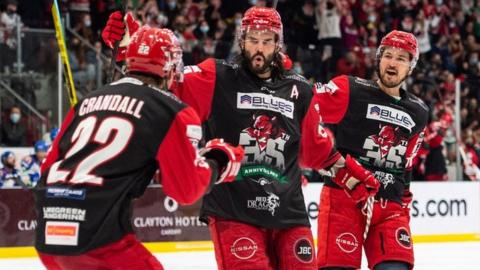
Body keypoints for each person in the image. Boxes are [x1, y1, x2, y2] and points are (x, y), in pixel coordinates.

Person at [102, 6, 379, 269]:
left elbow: (316, 151)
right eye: (253, 39)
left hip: (290, 214)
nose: (259, 48)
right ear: (242, 40)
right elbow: (167, 82)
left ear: (278, 44)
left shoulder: (299, 89)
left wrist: (349, 174)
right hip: (233, 213)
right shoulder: (216, 76)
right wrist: (134, 46)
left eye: (267, 41)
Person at [34, 26, 244, 270]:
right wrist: (218, 161)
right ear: (171, 67)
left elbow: (46, 169)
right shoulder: (172, 110)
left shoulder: (85, 103)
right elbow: (186, 191)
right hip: (102, 243)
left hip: (49, 236)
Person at [314, 30, 429, 270]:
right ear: (379, 58)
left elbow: (406, 164)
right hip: (344, 200)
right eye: (388, 55)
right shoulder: (350, 90)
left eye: (401, 58)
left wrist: (404, 201)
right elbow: (305, 108)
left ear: (411, 66)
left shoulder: (418, 112)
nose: (393, 62)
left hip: (391, 209)